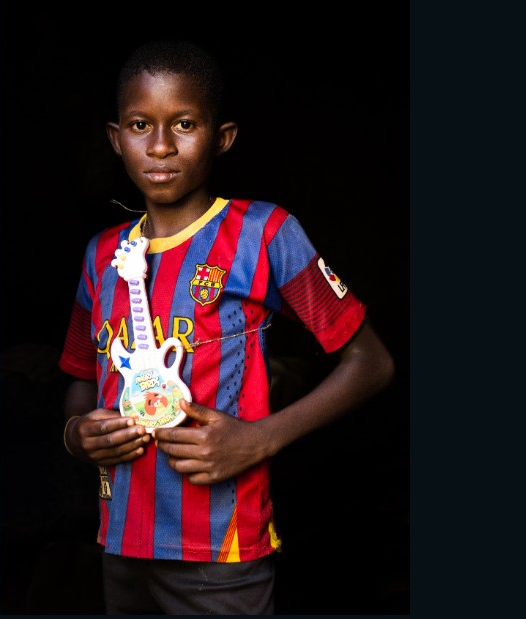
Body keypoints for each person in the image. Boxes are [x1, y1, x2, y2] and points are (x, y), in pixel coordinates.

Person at [57, 39, 395, 615]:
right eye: (141, 124)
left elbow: (372, 364)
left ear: (222, 136)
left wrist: (258, 438)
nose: (160, 146)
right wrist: (74, 433)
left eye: (183, 123)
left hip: (222, 555)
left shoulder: (264, 234)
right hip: (118, 544)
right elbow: (82, 378)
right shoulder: (100, 255)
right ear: (117, 139)